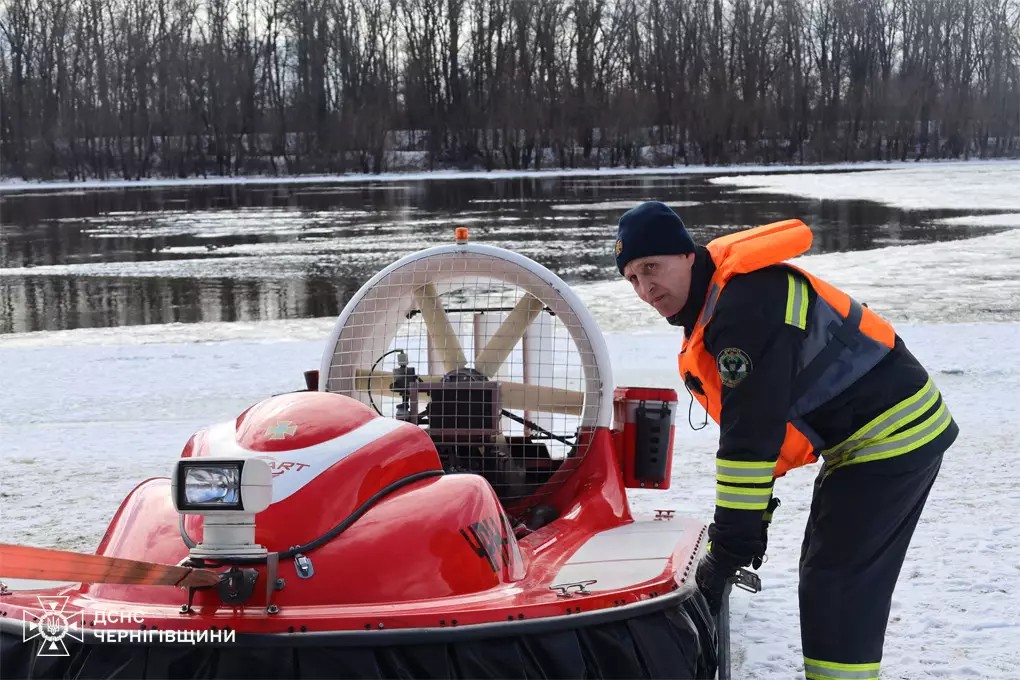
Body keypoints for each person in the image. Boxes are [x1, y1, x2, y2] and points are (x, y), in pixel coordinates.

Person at [613, 201, 958, 680]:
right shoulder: (723, 298)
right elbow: (755, 435)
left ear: (688, 255)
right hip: (870, 434)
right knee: (828, 573)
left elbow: (750, 436)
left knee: (837, 584)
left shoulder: (744, 307)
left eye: (652, 267)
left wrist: (730, 545)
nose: (646, 289)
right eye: (632, 279)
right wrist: (743, 530)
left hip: (890, 433)